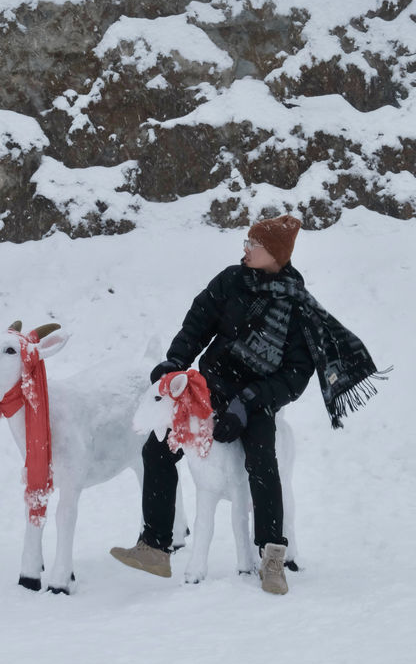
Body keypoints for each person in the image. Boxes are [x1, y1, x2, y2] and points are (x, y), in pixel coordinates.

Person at [110, 214, 388, 595]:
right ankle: (156, 546)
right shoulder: (230, 280)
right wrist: (176, 361)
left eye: (252, 245)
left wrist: (250, 402)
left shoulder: (297, 307)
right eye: (245, 242)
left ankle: (272, 555)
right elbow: (197, 323)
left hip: (258, 396)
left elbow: (295, 374)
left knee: (262, 457)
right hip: (212, 384)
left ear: (273, 254)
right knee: (159, 444)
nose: (245, 249)